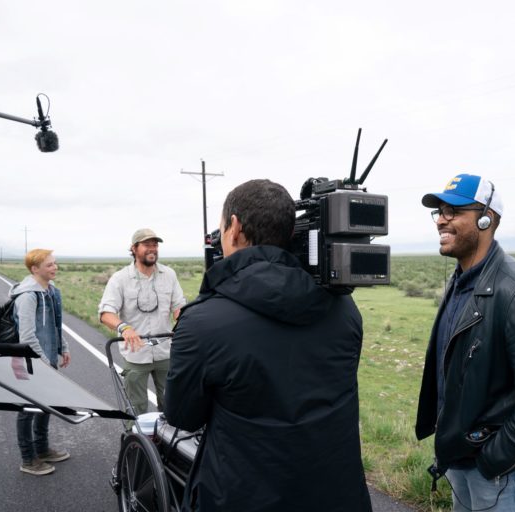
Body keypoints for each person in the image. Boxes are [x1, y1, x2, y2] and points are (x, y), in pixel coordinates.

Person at [165, 179, 372, 511]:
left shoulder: (202, 322)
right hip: (337, 494)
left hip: (240, 496)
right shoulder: (344, 309)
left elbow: (182, 416)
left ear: (234, 228)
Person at [415, 174, 515, 511]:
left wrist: (494, 459)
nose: (441, 218)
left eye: (454, 211)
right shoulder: (462, 283)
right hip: (466, 463)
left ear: (486, 218)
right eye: (439, 211)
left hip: (506, 475)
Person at [99, 228, 186, 418]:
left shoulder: (169, 274)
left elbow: (179, 306)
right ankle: (135, 444)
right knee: (136, 409)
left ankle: (167, 444)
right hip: (136, 354)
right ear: (134, 248)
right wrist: (125, 328)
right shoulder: (120, 278)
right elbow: (106, 313)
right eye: (147, 245)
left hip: (165, 351)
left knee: (172, 404)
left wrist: (182, 317)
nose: (152, 249)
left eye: (155, 245)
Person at [10, 248, 71, 476]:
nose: (55, 267)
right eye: (49, 265)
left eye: (55, 263)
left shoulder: (51, 291)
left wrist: (62, 347)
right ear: (35, 269)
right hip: (29, 361)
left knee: (47, 403)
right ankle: (28, 459)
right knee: (27, 409)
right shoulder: (27, 296)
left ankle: (42, 449)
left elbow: (55, 324)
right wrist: (43, 362)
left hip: (46, 359)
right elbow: (26, 336)